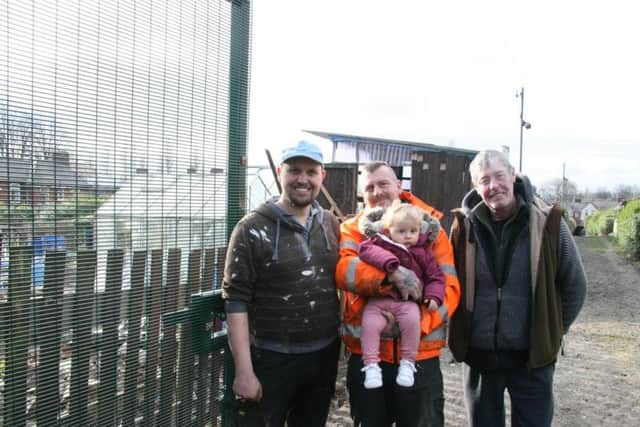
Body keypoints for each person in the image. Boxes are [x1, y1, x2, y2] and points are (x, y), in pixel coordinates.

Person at [448, 149, 587, 427]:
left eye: (499, 176)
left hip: (531, 359)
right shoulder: (462, 228)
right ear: (475, 186)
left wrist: (551, 329)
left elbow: (575, 286)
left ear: (513, 175)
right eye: (484, 180)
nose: (493, 186)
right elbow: (449, 285)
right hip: (480, 357)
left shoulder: (549, 222)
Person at [222, 140, 341, 426]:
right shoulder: (251, 228)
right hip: (270, 357)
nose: (303, 179)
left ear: (321, 176)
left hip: (323, 356)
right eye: (294, 170)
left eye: (311, 172)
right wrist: (244, 372)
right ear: (280, 172)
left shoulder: (330, 224)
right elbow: (235, 300)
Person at [336, 161, 461, 427]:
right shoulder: (352, 229)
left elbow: (449, 288)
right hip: (367, 358)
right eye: (369, 187)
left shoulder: (429, 228)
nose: (377, 192)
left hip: (420, 359)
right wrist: (386, 276)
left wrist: (416, 325)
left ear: (399, 186)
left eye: (383, 184)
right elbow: (344, 269)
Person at [358, 201, 445, 389]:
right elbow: (365, 250)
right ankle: (371, 365)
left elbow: (436, 276)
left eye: (413, 231)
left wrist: (434, 296)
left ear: (420, 230)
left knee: (412, 322)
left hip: (407, 302)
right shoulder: (381, 242)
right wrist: (389, 264)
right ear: (390, 230)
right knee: (369, 325)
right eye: (401, 231)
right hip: (379, 301)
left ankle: (408, 362)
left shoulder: (423, 252)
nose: (408, 236)